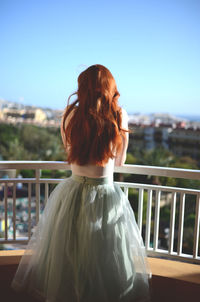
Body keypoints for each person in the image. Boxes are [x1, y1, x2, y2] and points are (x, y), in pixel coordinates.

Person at [12, 64, 151, 301]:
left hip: (73, 192)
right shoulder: (119, 115)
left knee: (70, 259)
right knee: (108, 257)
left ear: (81, 87)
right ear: (111, 88)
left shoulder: (69, 116)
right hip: (105, 194)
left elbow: (69, 152)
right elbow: (120, 161)